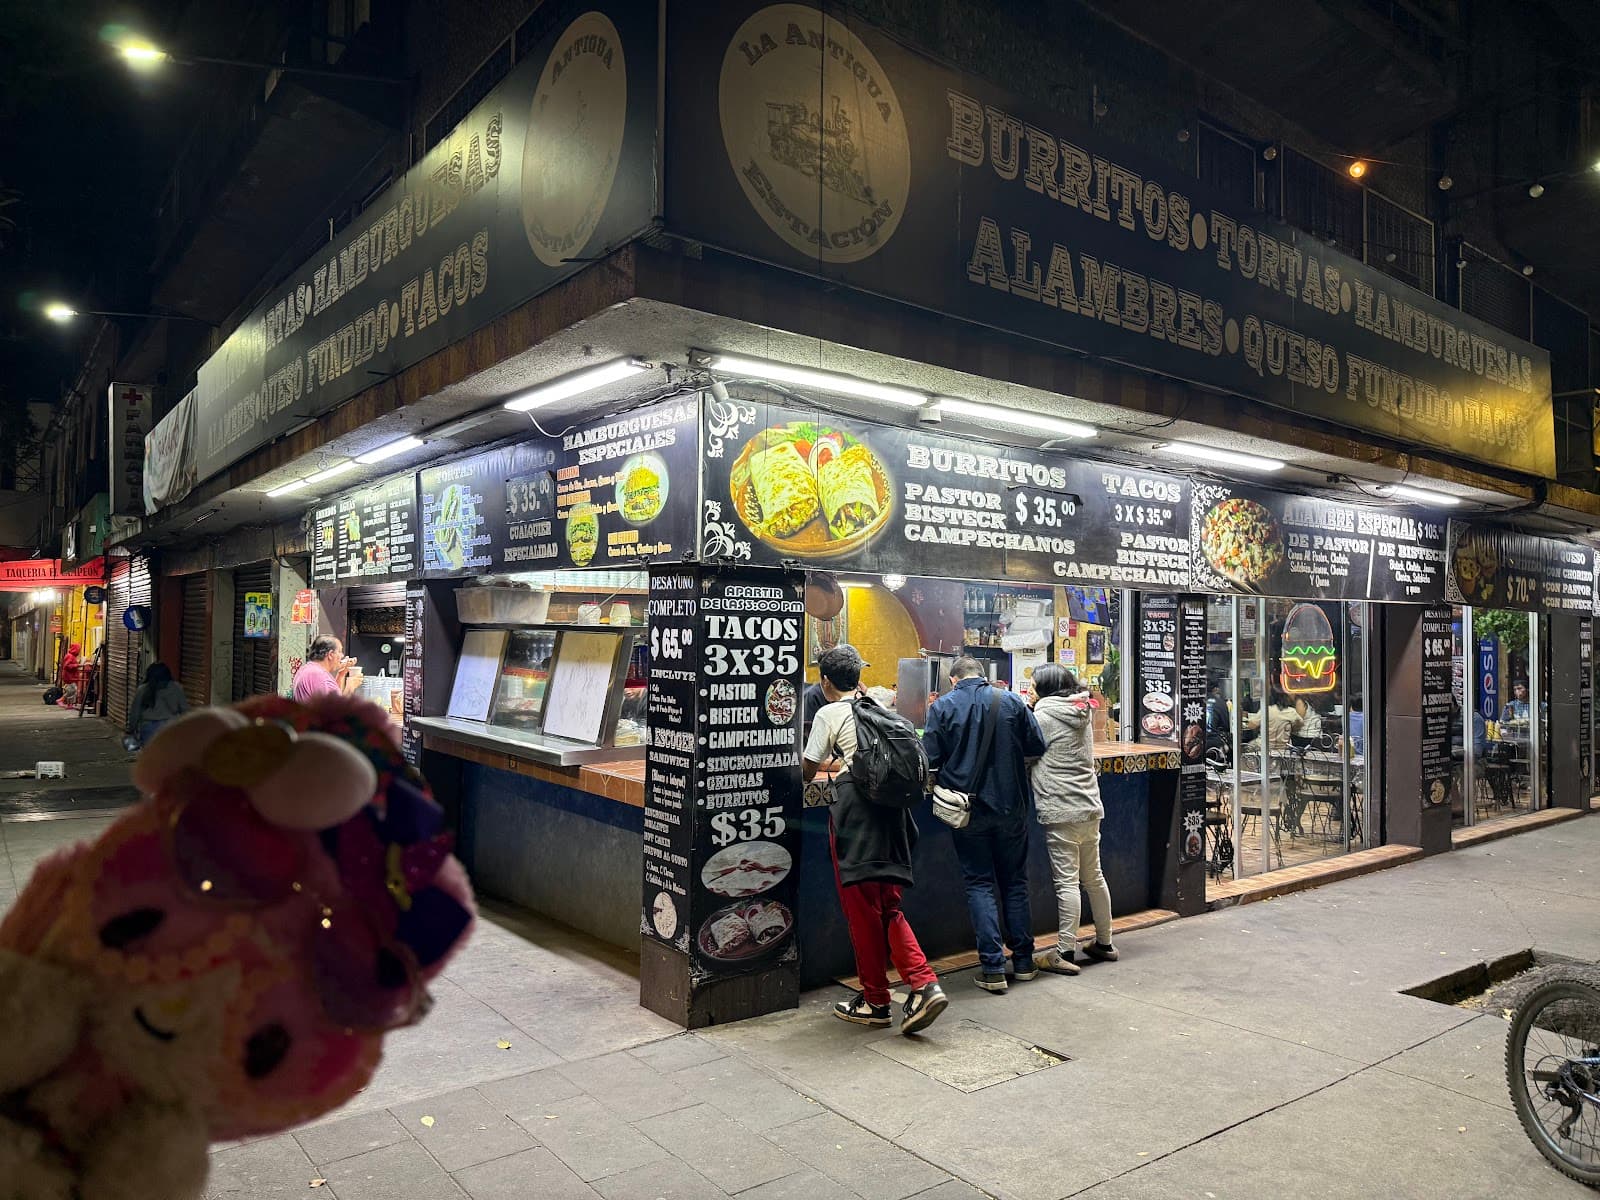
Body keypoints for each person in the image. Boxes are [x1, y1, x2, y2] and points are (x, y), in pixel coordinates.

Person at [802, 645, 947, 1035]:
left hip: (856, 819)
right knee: (888, 905)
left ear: (825, 681)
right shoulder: (879, 709)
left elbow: (806, 769)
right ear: (860, 677)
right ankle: (923, 983)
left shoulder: (828, 713)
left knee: (863, 910)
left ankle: (877, 1000)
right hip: (894, 817)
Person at [924, 656, 1047, 993]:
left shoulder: (943, 707)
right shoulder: (1011, 701)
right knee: (1015, 883)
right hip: (1011, 808)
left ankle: (993, 969)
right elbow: (1037, 746)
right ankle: (1023, 962)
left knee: (979, 883)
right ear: (981, 676)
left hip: (968, 810)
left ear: (953, 679)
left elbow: (929, 757)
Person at [1028, 666, 1117, 975]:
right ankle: (1104, 942)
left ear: (1046, 688)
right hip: (1089, 804)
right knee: (1094, 877)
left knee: (1067, 882)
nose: (1030, 689)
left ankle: (1064, 950)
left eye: (1033, 685)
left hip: (1061, 806)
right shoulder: (1080, 709)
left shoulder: (1044, 716)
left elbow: (1027, 750)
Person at [124, 661, 188, 747]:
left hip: (149, 729)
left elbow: (135, 713)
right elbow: (185, 710)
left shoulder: (143, 689)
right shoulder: (176, 687)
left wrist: (131, 729)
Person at [293, 636, 363, 702]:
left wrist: (341, 674)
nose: (342, 656)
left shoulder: (308, 668)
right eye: (340, 651)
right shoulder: (319, 676)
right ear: (330, 655)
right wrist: (350, 687)